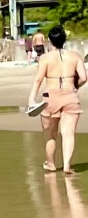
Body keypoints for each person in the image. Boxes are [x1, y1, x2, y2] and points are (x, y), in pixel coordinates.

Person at [28, 24, 86, 174]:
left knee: (50, 134)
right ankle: (67, 165)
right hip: (70, 97)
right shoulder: (75, 56)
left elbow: (38, 80)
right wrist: (74, 86)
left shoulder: (45, 58)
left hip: (51, 98)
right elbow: (84, 78)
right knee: (68, 133)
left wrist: (31, 99)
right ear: (64, 39)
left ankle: (51, 163)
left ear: (49, 40)